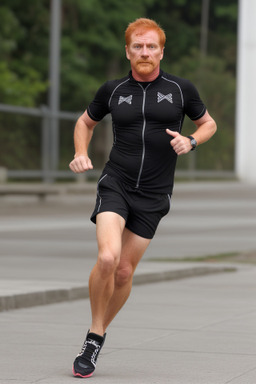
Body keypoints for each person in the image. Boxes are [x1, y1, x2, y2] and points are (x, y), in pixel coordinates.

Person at [69, 17, 217, 378]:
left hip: (154, 193)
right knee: (107, 257)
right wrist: (80, 152)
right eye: (138, 46)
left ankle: (97, 334)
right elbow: (85, 122)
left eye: (151, 46)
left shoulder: (181, 90)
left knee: (123, 271)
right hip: (115, 182)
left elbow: (208, 123)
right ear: (128, 51)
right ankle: (94, 332)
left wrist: (192, 140)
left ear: (161, 51)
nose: (145, 52)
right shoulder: (113, 90)